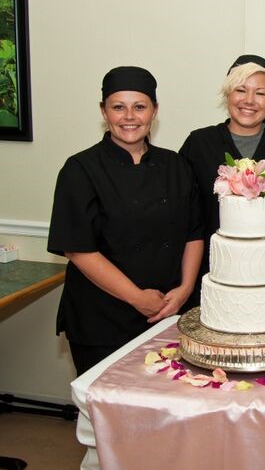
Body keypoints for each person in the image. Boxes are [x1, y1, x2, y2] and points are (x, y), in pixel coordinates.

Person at [48, 66, 203, 376]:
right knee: (106, 413)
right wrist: (137, 298)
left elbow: (193, 232)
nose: (129, 116)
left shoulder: (176, 165)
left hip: (167, 311)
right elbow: (79, 250)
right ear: (104, 111)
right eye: (118, 107)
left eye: (140, 107)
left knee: (164, 408)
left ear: (154, 111)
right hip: (102, 319)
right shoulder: (80, 169)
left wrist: (185, 289)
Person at [179, 54, 265, 309]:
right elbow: (182, 212)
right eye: (240, 90)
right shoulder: (199, 143)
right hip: (214, 272)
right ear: (227, 94)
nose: (249, 101)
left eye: (261, 93)